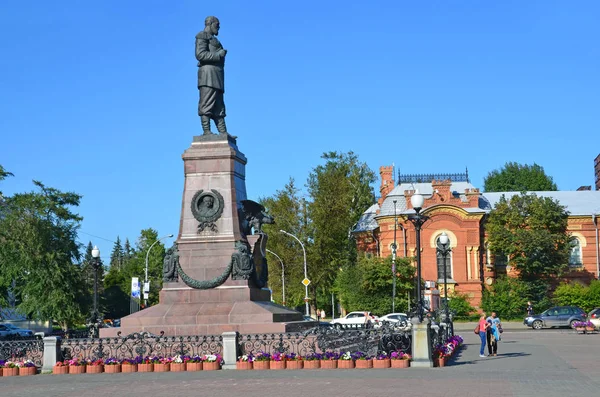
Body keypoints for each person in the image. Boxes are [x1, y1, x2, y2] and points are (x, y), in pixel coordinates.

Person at [196, 16, 229, 135]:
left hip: (217, 75)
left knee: (219, 105)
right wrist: (218, 55)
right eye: (217, 24)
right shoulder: (202, 36)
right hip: (207, 75)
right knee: (206, 102)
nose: (218, 27)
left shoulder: (214, 39)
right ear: (210, 24)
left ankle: (223, 132)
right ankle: (206, 131)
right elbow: (200, 55)